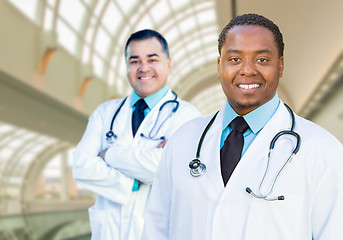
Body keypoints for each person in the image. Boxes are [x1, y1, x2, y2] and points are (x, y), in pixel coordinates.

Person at [142, 14, 343, 240]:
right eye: (235, 59)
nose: (247, 70)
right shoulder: (182, 141)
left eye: (262, 60)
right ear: (220, 66)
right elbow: (156, 231)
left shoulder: (323, 151)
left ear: (281, 66)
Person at [72, 29, 200, 240]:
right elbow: (81, 166)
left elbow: (165, 169)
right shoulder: (105, 113)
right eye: (134, 61)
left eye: (152, 59)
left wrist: (107, 156)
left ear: (168, 64)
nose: (143, 68)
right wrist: (131, 183)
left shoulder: (186, 116)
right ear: (127, 67)